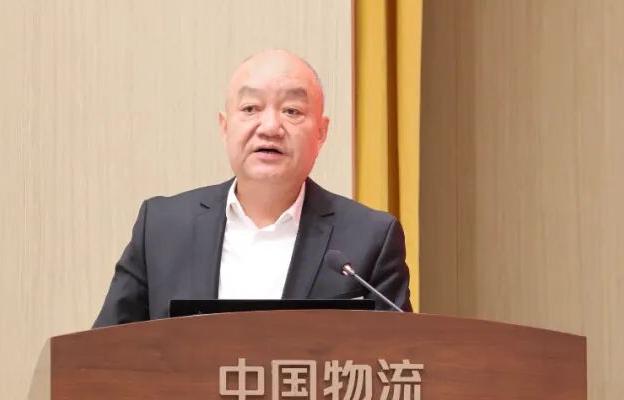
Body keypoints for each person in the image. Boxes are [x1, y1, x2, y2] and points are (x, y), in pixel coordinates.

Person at [93, 49, 411, 326]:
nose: (270, 127)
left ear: (321, 132)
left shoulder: (369, 239)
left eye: (292, 111)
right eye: (250, 109)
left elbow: (400, 360)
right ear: (225, 127)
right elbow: (102, 355)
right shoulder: (162, 228)